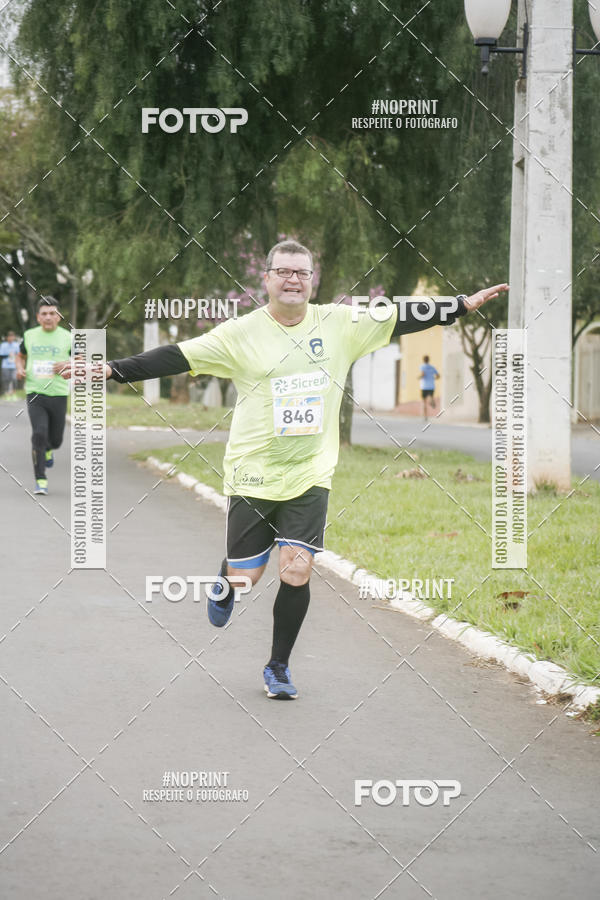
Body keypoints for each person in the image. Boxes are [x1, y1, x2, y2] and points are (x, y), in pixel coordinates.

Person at [62, 239, 508, 700]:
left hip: (310, 472)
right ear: (267, 279)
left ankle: (278, 666)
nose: (293, 279)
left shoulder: (339, 324)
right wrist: (113, 370)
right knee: (246, 577)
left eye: (302, 272)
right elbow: (179, 355)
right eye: (284, 271)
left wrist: (458, 306)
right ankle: (228, 578)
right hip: (253, 471)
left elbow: (398, 316)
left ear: (312, 280)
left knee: (296, 569)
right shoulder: (240, 333)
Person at [16, 298, 71, 495]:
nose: (48, 317)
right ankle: (40, 479)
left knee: (56, 441)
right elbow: (20, 355)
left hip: (59, 393)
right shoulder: (29, 335)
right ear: (38, 317)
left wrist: (68, 364)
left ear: (59, 317)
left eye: (52, 313)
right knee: (39, 434)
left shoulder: (68, 337)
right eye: (44, 314)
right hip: (35, 392)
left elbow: (81, 360)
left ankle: (49, 448)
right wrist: (20, 368)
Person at [0, 330, 21, 400]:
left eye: (12, 337)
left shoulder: (16, 345)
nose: (11, 338)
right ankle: (7, 394)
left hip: (14, 366)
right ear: (7, 337)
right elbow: (1, 355)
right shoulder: (3, 345)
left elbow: (19, 355)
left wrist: (15, 355)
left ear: (14, 337)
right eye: (9, 337)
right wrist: (8, 355)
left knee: (14, 379)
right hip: (5, 366)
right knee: (6, 380)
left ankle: (13, 394)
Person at [419, 354, 440, 421]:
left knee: (424, 402)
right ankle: (431, 400)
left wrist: (419, 377)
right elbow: (438, 376)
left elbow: (423, 374)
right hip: (431, 386)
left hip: (424, 386)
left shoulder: (422, 366)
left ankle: (425, 416)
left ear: (423, 360)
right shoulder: (432, 367)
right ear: (429, 360)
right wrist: (434, 378)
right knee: (430, 396)